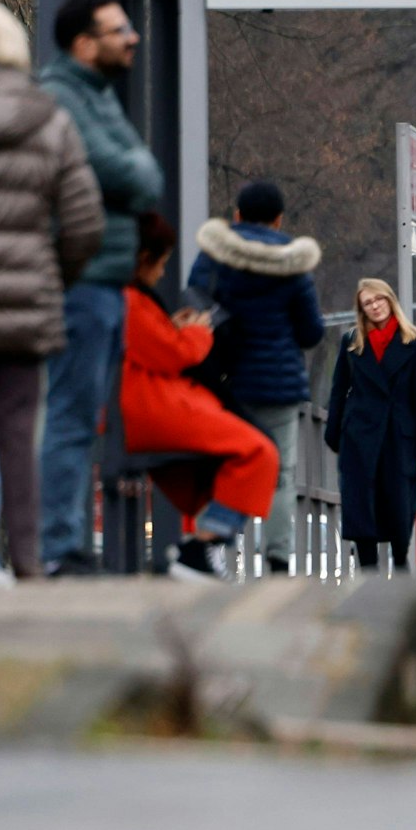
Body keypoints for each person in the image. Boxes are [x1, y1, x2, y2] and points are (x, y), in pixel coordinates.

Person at [36, 0, 164, 576]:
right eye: (119, 30)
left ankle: (53, 542)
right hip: (81, 281)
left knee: (75, 417)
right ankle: (54, 546)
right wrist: (136, 177)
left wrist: (136, 177)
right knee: (64, 416)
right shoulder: (63, 96)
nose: (133, 38)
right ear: (85, 43)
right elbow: (123, 170)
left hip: (103, 283)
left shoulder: (97, 95)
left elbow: (143, 174)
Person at [0, 1, 103, 580]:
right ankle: (28, 561)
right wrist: (50, 277)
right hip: (23, 309)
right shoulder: (50, 118)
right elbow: (85, 221)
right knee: (18, 433)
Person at [122, 213, 279, 571]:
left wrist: (174, 328)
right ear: (144, 259)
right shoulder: (131, 299)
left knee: (241, 454)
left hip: (146, 401)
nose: (162, 273)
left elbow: (152, 343)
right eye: (159, 264)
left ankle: (205, 545)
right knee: (259, 450)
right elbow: (171, 353)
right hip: (151, 405)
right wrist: (198, 332)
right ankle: (205, 544)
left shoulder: (126, 297)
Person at [186, 181, 324, 571]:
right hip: (279, 385)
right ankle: (278, 558)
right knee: (281, 473)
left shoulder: (214, 256)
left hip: (225, 379)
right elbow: (311, 331)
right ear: (279, 220)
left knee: (226, 464)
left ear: (237, 215)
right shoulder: (293, 264)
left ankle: (208, 549)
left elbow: (195, 301)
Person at [325, 279, 416, 571]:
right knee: (361, 508)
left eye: (378, 300)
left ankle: (400, 567)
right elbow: (338, 390)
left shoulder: (413, 342)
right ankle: (368, 577)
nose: (375, 307)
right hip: (359, 439)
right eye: (367, 303)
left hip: (400, 439)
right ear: (361, 309)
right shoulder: (351, 342)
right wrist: (334, 435)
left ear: (390, 300)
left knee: (400, 509)